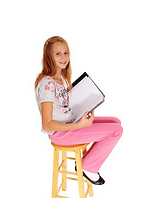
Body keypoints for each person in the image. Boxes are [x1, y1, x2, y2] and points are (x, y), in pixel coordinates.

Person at [35, 36, 123, 185]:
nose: (63, 57)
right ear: (48, 56)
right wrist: (79, 125)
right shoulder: (47, 84)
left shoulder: (60, 79)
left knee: (116, 122)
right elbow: (47, 124)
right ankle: (88, 167)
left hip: (69, 122)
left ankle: (88, 160)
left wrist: (84, 107)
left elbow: (62, 107)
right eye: (58, 54)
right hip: (60, 133)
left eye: (66, 52)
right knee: (117, 130)